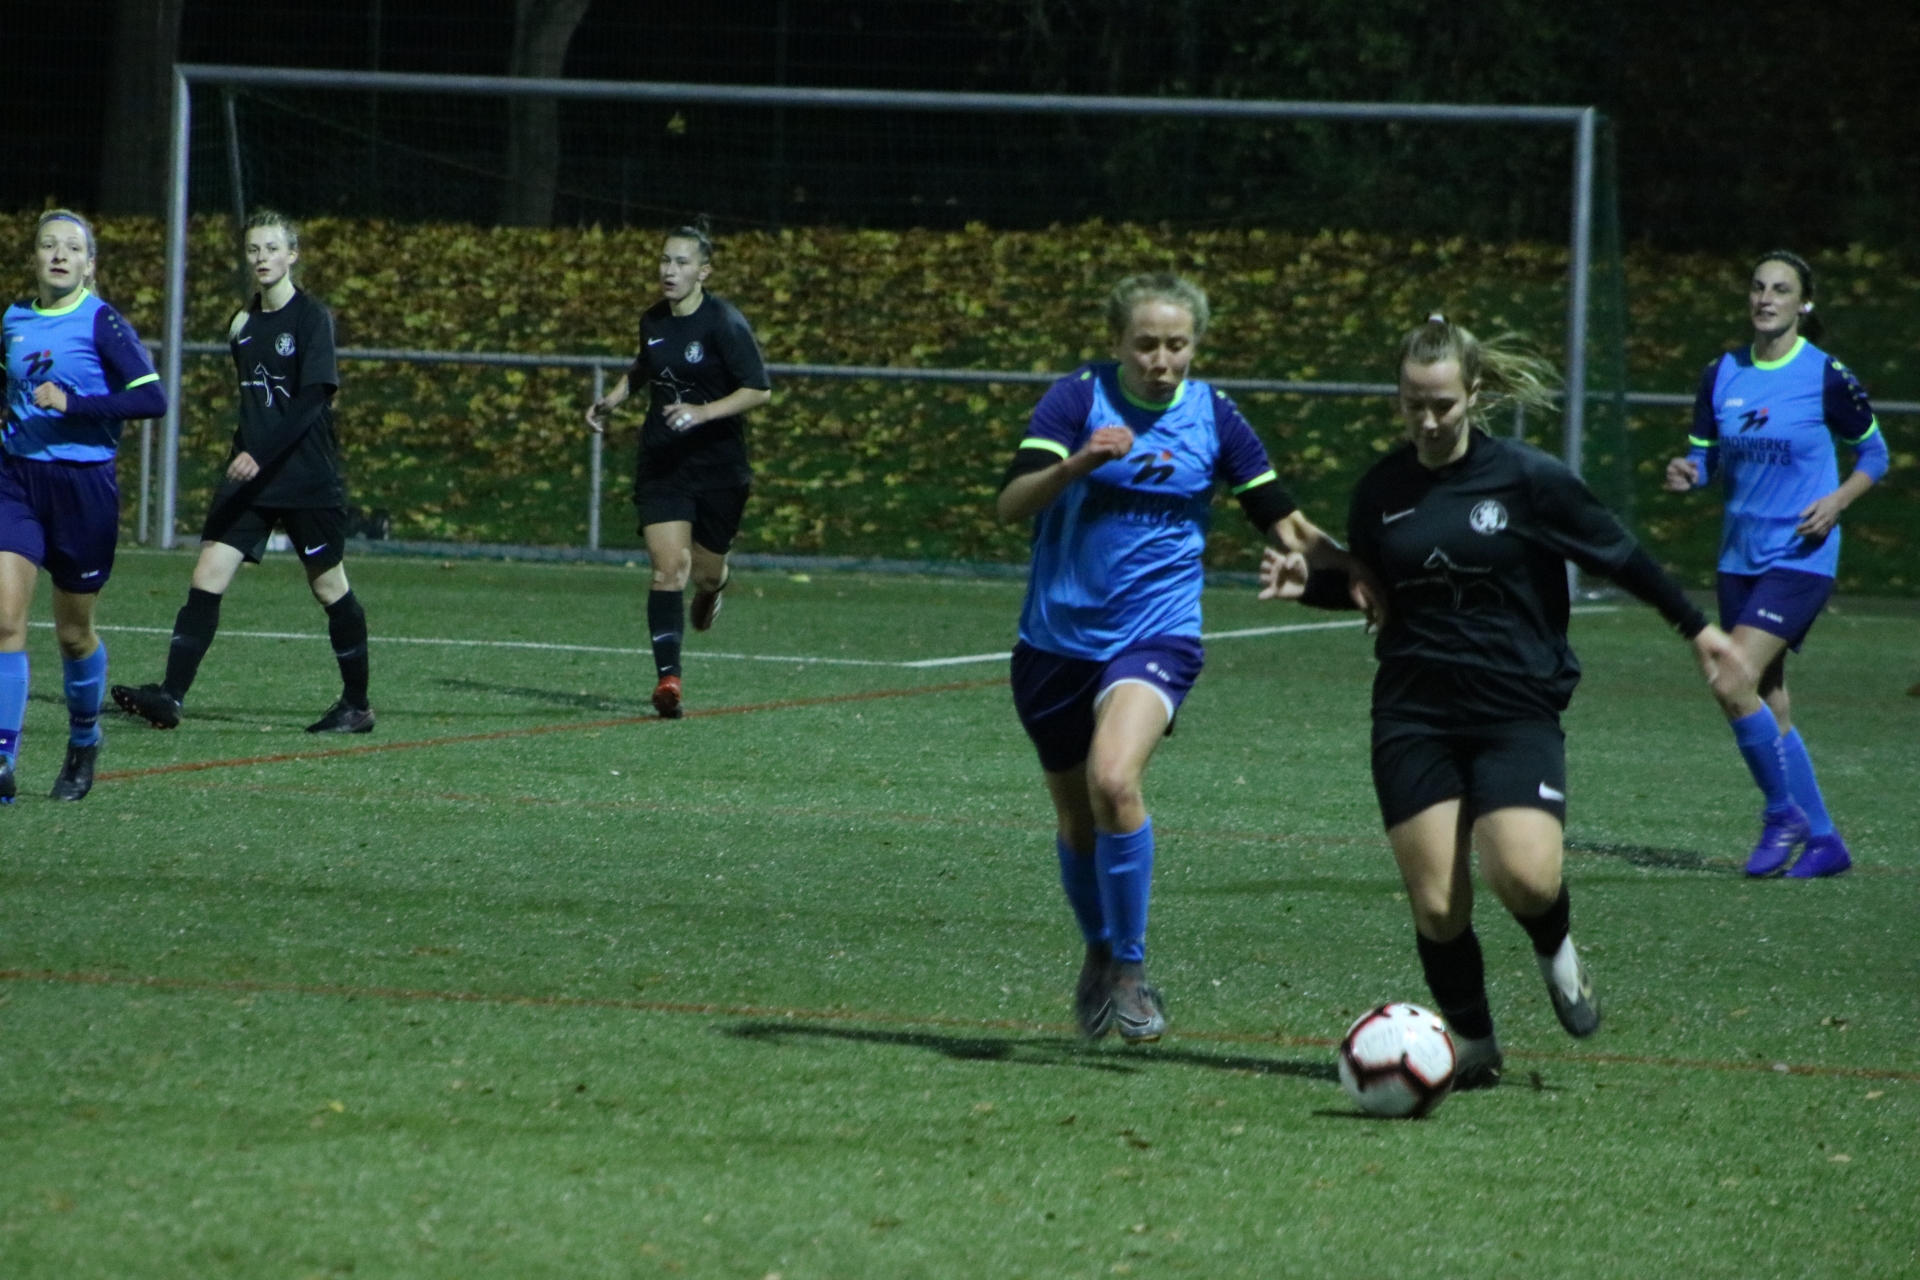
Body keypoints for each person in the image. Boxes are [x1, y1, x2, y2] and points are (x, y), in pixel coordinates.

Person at [1264, 315, 1744, 1088]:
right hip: (1414, 712)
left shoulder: (1527, 479)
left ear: (1474, 394)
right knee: (1437, 905)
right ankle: (1473, 1041)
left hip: (1513, 706)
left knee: (1524, 879)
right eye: (1414, 405)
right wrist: (1311, 585)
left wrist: (1696, 628)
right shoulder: (1381, 491)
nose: (1428, 421)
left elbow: (1618, 553)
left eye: (1443, 405)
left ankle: (1556, 948)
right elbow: (1373, 592)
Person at [998, 271, 1358, 1045]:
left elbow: (1287, 524)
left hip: (1156, 633)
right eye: (1146, 345)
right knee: (1078, 820)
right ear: (1117, 343)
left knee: (1113, 781)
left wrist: (1367, 574)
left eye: (1177, 345)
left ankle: (1131, 969)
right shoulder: (1077, 400)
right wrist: (1077, 464)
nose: (1162, 361)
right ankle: (1099, 949)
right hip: (1055, 641)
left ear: (1195, 344)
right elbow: (1010, 503)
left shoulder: (1214, 416)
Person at [1663, 251, 1887, 878]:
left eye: (1781, 290)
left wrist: (1837, 502)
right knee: (1767, 696)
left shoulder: (1824, 375)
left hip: (1801, 556)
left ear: (1802, 303)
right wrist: (1689, 472)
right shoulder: (1721, 373)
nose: (1766, 298)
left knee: (1729, 677)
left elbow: (1875, 453)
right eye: (1758, 287)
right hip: (1739, 558)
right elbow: (1705, 457)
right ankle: (1825, 841)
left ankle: (1780, 815)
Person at [113, 210, 372, 734]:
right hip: (251, 479)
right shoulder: (241, 324)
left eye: (272, 248)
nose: (262, 258)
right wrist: (245, 457)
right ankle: (170, 696)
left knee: (329, 587)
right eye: (254, 249)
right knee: (207, 574)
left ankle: (356, 706)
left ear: (292, 255)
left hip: (306, 477)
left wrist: (261, 453)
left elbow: (313, 400)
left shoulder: (311, 318)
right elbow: (256, 406)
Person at [0, 210, 166, 800]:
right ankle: (3, 759)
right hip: (16, 481)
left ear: (90, 264)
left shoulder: (102, 322)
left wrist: (76, 405)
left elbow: (152, 400)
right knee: (5, 620)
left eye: (71, 247)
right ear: (33, 259)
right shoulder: (13, 319)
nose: (59, 254)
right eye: (48, 245)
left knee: (73, 635)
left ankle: (84, 739)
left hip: (83, 489)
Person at [585, 219, 771, 719]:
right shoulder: (653, 320)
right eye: (665, 260)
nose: (669, 270)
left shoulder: (724, 323)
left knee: (705, 574)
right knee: (669, 569)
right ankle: (668, 680)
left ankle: (714, 590)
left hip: (718, 466)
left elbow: (758, 389)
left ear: (703, 271)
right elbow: (645, 366)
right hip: (664, 460)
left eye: (681, 262)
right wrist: (613, 399)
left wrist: (704, 412)